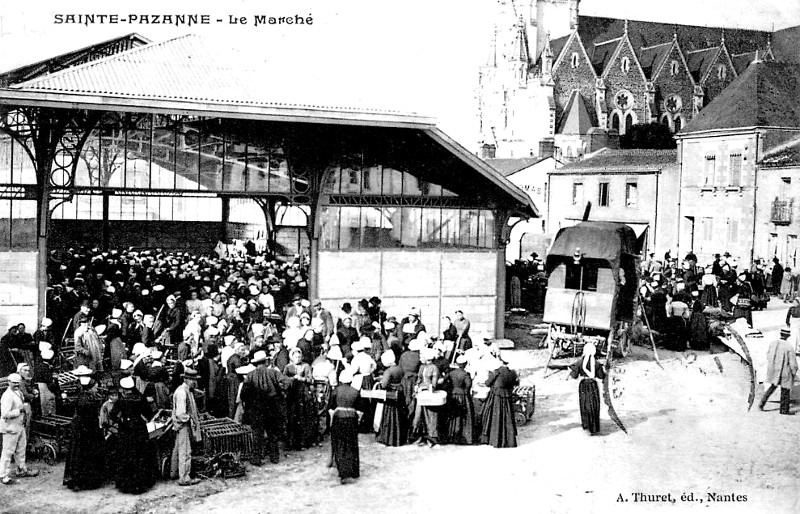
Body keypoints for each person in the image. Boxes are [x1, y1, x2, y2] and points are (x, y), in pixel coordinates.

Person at [241, 350, 289, 465]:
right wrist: (279, 391)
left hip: (256, 407)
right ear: (266, 361)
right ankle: (274, 457)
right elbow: (285, 384)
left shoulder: (250, 375)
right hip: (272, 406)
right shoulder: (273, 373)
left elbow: (244, 394)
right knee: (272, 432)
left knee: (257, 434)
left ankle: (257, 458)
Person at [111, 376, 157, 494]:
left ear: (124, 389)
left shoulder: (121, 401)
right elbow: (149, 412)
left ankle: (126, 484)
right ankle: (141, 483)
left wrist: (120, 421)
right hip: (139, 428)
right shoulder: (140, 398)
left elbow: (113, 415)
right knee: (140, 454)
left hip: (126, 429)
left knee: (126, 455)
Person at [63, 369, 105, 491]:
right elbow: (91, 418)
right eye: (95, 388)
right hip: (87, 429)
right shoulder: (89, 400)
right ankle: (87, 481)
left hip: (80, 428)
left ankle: (76, 480)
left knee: (77, 453)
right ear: (90, 388)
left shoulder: (81, 396)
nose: (97, 390)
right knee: (87, 453)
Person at [0, 373, 38, 485]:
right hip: (10, 427)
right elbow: (5, 414)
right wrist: (20, 410)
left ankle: (21, 469)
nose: (16, 384)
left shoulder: (18, 392)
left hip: (20, 425)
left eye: (18, 382)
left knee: (21, 449)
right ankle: (3, 475)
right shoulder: (7, 396)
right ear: (9, 382)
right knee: (8, 451)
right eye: (14, 383)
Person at [328, 368, 360, 484]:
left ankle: (343, 472)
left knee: (340, 445)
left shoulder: (336, 391)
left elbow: (331, 407)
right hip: (352, 420)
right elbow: (359, 409)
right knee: (352, 445)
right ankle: (354, 471)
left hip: (339, 419)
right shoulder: (355, 391)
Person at [480, 354, 519, 447]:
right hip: (507, 397)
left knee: (495, 418)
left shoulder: (496, 372)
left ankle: (495, 440)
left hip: (497, 397)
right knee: (507, 417)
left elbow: (487, 383)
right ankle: (509, 441)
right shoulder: (512, 373)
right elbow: (516, 383)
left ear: (501, 361)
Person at [171, 368, 202, 486]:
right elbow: (180, 413)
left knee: (179, 450)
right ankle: (184, 477)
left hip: (183, 425)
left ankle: (175, 473)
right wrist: (190, 419)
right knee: (185, 451)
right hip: (183, 425)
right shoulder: (182, 392)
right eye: (193, 380)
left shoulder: (187, 390)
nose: (195, 382)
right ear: (187, 379)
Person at [759, 328, 798, 415]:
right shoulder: (789, 346)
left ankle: (762, 404)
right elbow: (792, 362)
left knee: (772, 387)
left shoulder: (773, 343)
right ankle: (784, 410)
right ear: (788, 336)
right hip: (785, 371)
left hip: (774, 370)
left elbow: (768, 354)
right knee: (785, 390)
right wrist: (794, 372)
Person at [411, 348, 442, 448]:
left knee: (430, 415)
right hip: (420, 393)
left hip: (429, 393)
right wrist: (417, 385)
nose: (420, 358)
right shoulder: (421, 367)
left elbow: (434, 383)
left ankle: (431, 437)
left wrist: (428, 388)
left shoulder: (434, 368)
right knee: (419, 415)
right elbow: (419, 378)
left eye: (422, 356)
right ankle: (420, 436)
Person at [571, 342, 604, 434]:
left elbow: (574, 375)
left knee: (585, 404)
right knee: (593, 405)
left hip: (583, 385)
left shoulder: (580, 362)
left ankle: (586, 424)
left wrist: (570, 371)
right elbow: (601, 376)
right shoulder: (596, 363)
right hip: (592, 385)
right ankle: (594, 427)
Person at [376, 350, 406, 446]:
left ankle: (388, 438)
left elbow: (384, 385)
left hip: (390, 395)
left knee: (389, 417)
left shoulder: (388, 371)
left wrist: (381, 382)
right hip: (399, 393)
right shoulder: (400, 369)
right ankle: (398, 438)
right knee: (398, 417)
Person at [445, 354, 474, 445]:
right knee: (465, 416)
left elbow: (445, 380)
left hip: (453, 394)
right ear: (465, 364)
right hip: (463, 395)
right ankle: (465, 437)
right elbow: (468, 385)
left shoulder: (451, 373)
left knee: (454, 416)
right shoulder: (465, 374)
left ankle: (452, 436)